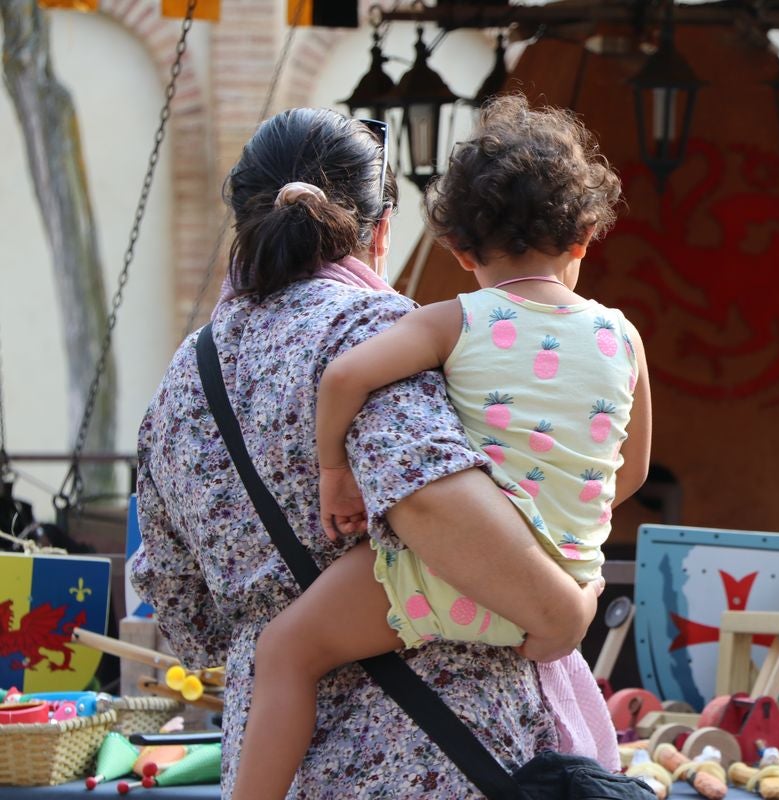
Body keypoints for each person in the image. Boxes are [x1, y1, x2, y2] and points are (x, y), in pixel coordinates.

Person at [129, 106, 602, 799]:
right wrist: (563, 609)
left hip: (271, 767)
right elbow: (431, 498)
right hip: (436, 757)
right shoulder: (372, 330)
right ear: (379, 231)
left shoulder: (182, 379)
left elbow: (186, 614)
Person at [233, 95, 651, 800]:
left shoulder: (452, 321)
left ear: (459, 250)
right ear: (584, 237)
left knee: (286, 652)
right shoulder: (623, 336)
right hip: (562, 581)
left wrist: (335, 471)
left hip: (444, 585)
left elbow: (344, 378)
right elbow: (627, 471)